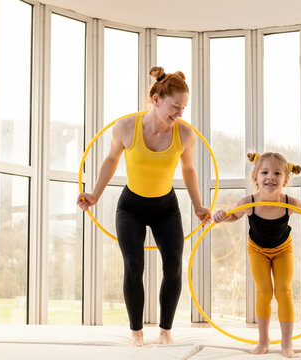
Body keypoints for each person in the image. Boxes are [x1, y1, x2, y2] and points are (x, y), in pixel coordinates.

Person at [77, 66, 211, 347]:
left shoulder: (185, 135)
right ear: (156, 100)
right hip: (131, 208)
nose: (180, 113)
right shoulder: (126, 127)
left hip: (166, 208)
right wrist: (95, 194)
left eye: (184, 107)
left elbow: (189, 171)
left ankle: (165, 331)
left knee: (173, 265)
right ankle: (136, 332)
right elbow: (111, 160)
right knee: (133, 264)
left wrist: (198, 205)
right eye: (176, 106)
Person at [212, 152, 301, 358]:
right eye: (265, 172)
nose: (270, 177)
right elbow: (233, 216)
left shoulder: (290, 202)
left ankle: (287, 343)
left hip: (282, 250)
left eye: (277, 173)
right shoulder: (248, 202)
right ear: (255, 178)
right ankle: (263, 341)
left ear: (285, 180)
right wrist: (221, 216)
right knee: (263, 291)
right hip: (257, 250)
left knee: (284, 291)